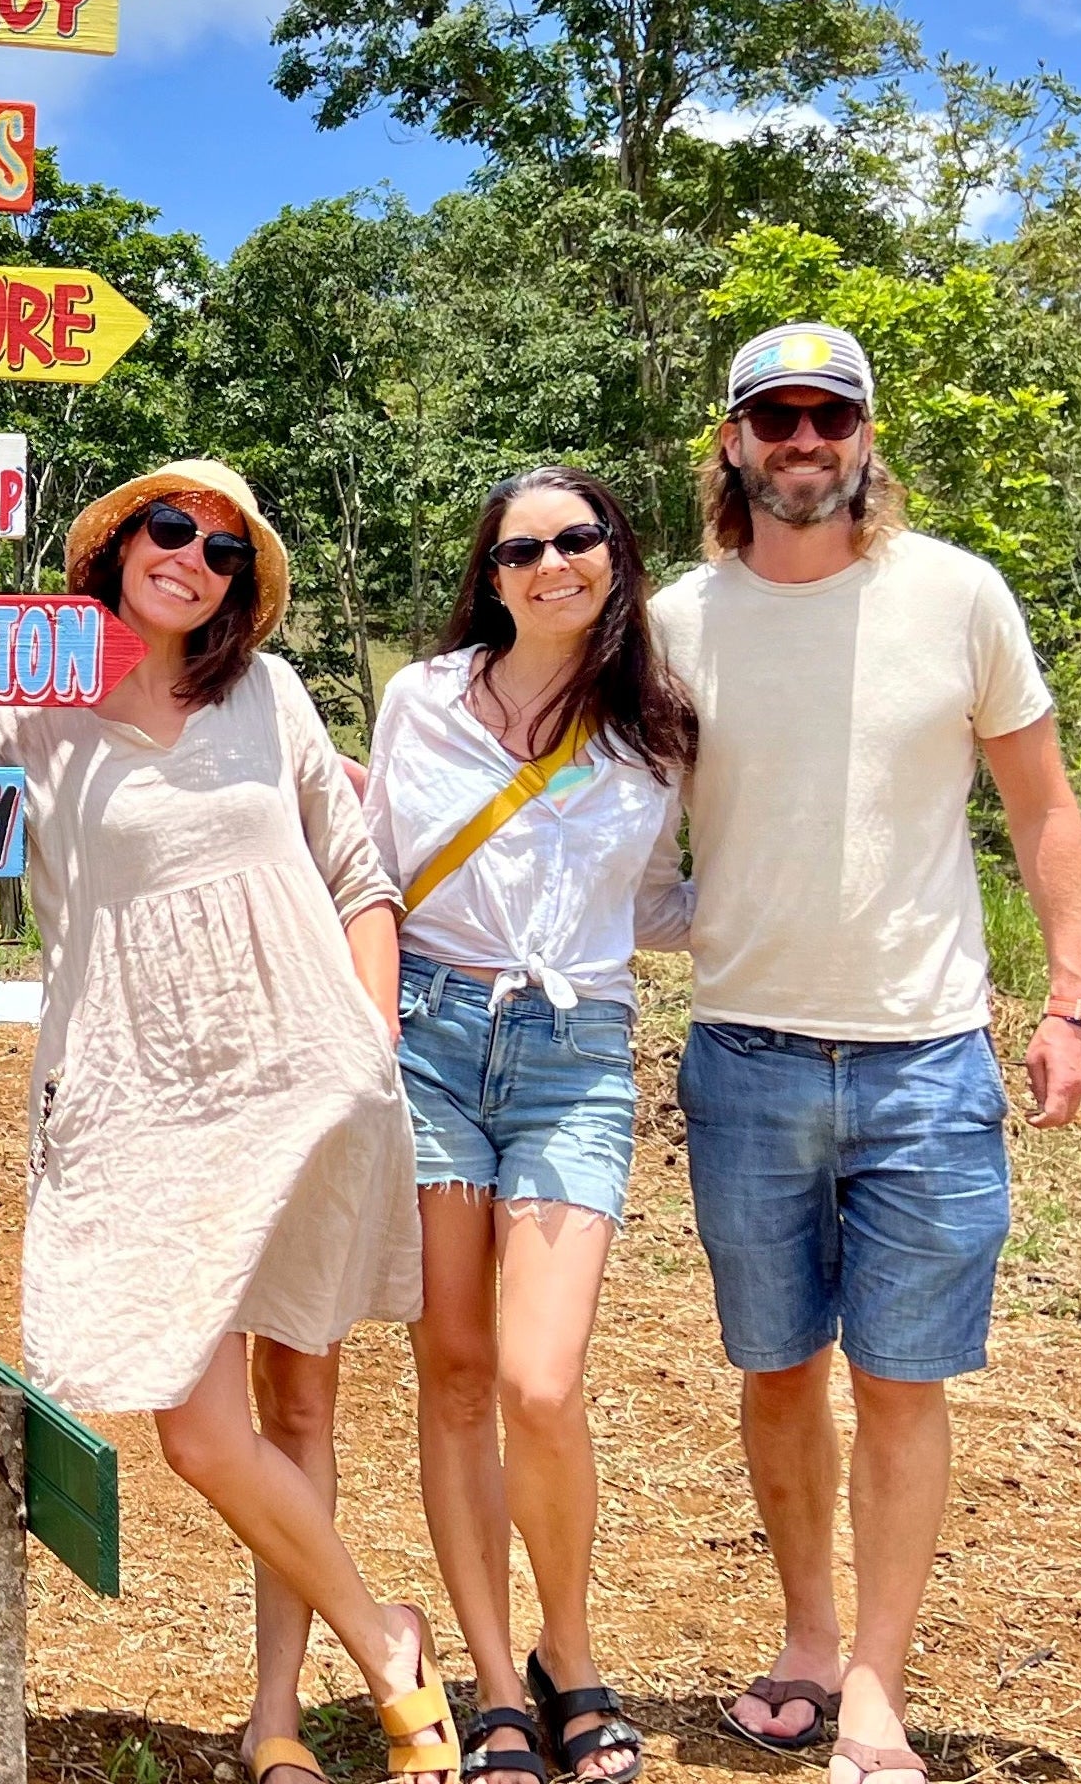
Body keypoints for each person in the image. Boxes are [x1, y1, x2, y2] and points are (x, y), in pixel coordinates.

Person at [0, 461, 459, 1782]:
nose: (193, 556)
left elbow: (360, 877)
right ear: (117, 547)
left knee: (298, 1404)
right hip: (138, 1099)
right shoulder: (33, 710)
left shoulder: (267, 694)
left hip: (305, 1085)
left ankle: (276, 1719)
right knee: (199, 1431)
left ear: (238, 587)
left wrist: (372, 1045)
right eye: (171, 528)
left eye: (223, 549)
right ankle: (387, 1640)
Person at [654, 325, 1081, 1784]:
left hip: (926, 1060)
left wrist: (1072, 999)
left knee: (904, 1384)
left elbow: (1042, 806)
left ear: (865, 436)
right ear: (732, 441)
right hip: (746, 1056)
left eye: (828, 416)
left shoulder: (958, 597)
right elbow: (593, 812)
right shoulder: (672, 625)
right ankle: (806, 1637)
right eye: (774, 416)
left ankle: (875, 1689)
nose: (803, 439)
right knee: (780, 1370)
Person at [356, 466, 694, 1784]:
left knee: (539, 1382)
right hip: (430, 1040)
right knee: (452, 1370)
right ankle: (497, 1684)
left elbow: (659, 900)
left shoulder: (658, 729)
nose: (553, 565)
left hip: (573, 1052)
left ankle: (572, 1652)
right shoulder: (422, 701)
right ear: (489, 577)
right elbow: (371, 867)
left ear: (617, 554)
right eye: (522, 550)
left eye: (578, 539)